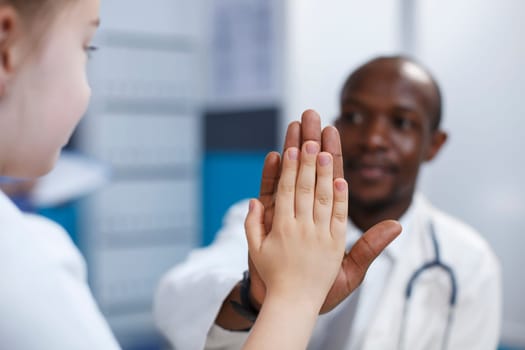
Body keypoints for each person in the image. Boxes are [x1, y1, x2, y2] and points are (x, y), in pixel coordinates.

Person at [0, 0, 400, 348]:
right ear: (6, 49)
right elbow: (175, 302)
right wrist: (294, 295)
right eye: (86, 47)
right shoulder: (21, 256)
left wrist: (275, 297)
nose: (375, 140)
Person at [154, 56, 502, 350]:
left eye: (401, 123)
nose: (373, 139)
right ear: (335, 126)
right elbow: (173, 301)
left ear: (433, 145)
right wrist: (261, 296)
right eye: (353, 117)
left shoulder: (469, 260)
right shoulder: (272, 223)